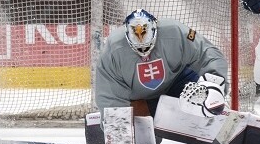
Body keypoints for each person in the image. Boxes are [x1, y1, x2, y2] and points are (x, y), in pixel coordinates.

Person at [95, 8, 229, 121]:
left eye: (147, 45)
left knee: (205, 93)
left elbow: (207, 53)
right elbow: (109, 92)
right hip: (140, 99)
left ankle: (215, 115)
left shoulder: (176, 31)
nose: (144, 52)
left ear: (155, 28)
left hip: (177, 83)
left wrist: (214, 83)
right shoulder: (113, 48)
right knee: (143, 140)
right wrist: (116, 125)